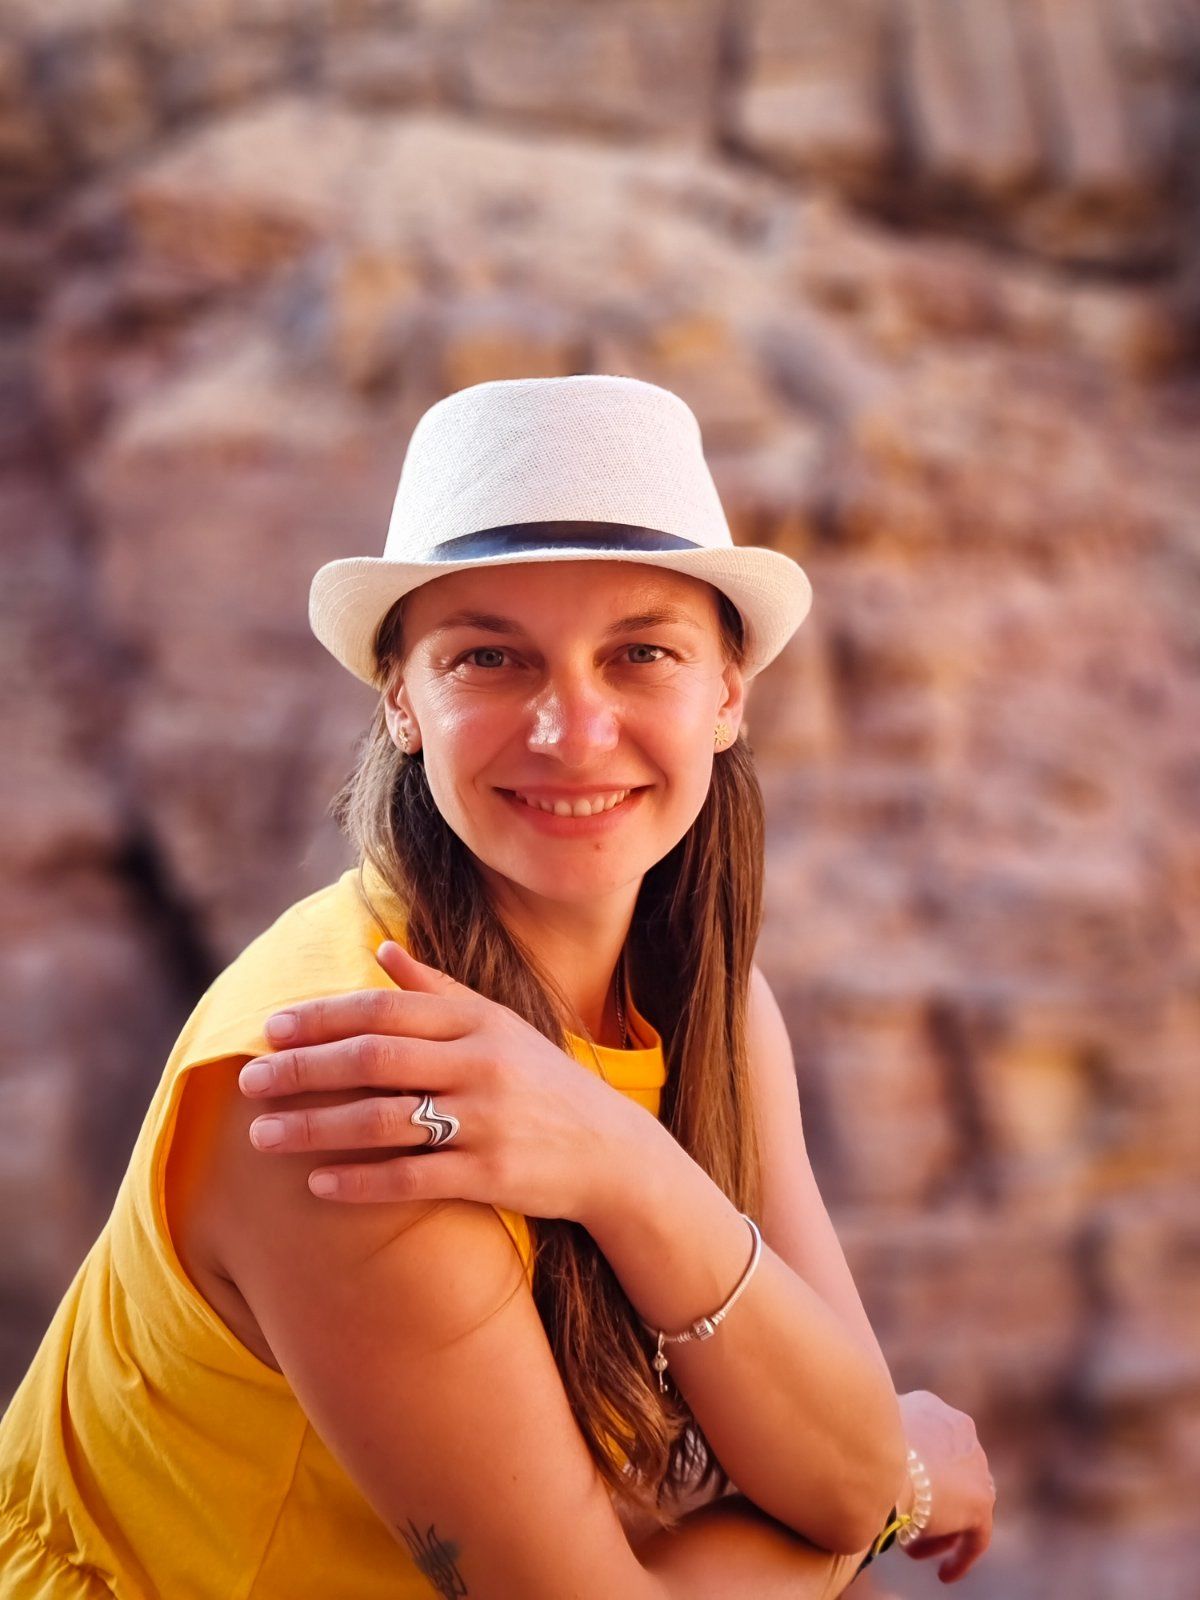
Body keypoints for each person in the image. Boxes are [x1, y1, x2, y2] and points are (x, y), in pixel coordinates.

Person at [0, 375, 995, 1598]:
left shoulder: (706, 999)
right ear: (402, 700)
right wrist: (897, 1490)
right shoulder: (347, 1090)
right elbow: (855, 1484)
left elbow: (843, 1474)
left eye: (642, 653)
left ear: (728, 693)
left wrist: (620, 1164)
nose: (573, 731)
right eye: (488, 657)